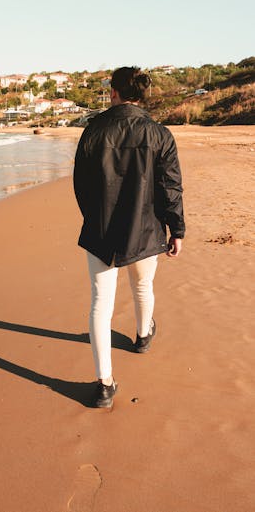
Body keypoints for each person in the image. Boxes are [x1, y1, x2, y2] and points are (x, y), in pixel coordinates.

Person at [73, 66, 185, 409]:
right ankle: (141, 337)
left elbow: (81, 184)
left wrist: (95, 217)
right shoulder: (158, 133)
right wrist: (176, 229)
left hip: (101, 230)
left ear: (114, 92)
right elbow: (170, 186)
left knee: (100, 303)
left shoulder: (94, 130)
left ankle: (104, 384)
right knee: (142, 287)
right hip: (145, 228)